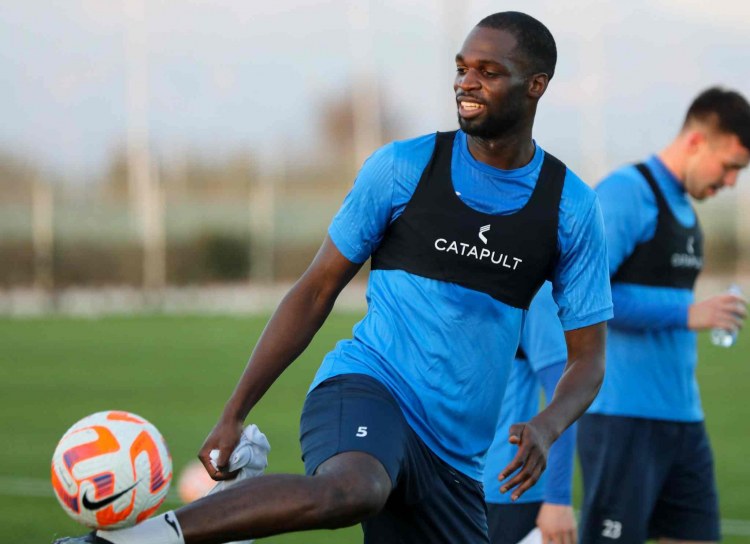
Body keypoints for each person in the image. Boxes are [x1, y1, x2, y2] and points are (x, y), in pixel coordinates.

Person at [55, 11, 613, 544]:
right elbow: (316, 289)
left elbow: (587, 358)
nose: (466, 82)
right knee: (354, 490)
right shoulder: (403, 168)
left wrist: (546, 425)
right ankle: (142, 539)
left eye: (488, 72)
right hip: (369, 388)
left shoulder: (570, 207)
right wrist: (234, 413)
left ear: (536, 85)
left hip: (457, 458)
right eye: (462, 67)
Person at [578, 87, 750, 544]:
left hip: (683, 417)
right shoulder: (625, 193)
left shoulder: (685, 208)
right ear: (696, 142)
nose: (732, 182)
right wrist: (686, 312)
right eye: (729, 166)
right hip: (622, 416)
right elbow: (583, 293)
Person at [484, 282, 578, 544]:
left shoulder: (534, 293)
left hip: (505, 488)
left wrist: (558, 499)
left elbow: (564, 397)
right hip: (445, 478)